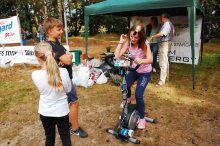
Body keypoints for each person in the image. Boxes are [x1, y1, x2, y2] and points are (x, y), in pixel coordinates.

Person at [43, 17, 88, 138]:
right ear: (49, 31)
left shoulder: (55, 44)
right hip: (63, 81)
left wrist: (67, 57)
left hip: (60, 80)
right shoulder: (54, 45)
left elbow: (69, 56)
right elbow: (68, 60)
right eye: (58, 29)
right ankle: (75, 128)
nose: (61, 31)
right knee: (74, 102)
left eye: (61, 29)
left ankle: (64, 123)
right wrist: (67, 57)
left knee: (64, 102)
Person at [32, 42, 72, 146]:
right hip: (62, 111)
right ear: (54, 54)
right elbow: (68, 90)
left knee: (49, 138)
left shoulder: (35, 75)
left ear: (37, 58)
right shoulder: (63, 72)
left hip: (45, 111)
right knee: (65, 138)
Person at [114, 24, 153, 129]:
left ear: (140, 37)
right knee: (125, 85)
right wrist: (121, 42)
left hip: (145, 72)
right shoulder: (128, 44)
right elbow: (116, 55)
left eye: (136, 37)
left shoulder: (144, 44)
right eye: (131, 36)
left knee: (139, 95)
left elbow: (150, 59)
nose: (133, 39)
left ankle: (141, 118)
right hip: (134, 70)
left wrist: (142, 61)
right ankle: (129, 97)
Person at [149, 13, 174, 87]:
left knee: (162, 62)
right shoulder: (170, 24)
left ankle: (161, 81)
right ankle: (166, 77)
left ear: (163, 17)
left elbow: (162, 34)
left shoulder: (166, 24)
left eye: (160, 17)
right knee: (166, 62)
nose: (160, 18)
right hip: (168, 43)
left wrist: (153, 36)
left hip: (164, 44)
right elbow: (172, 34)